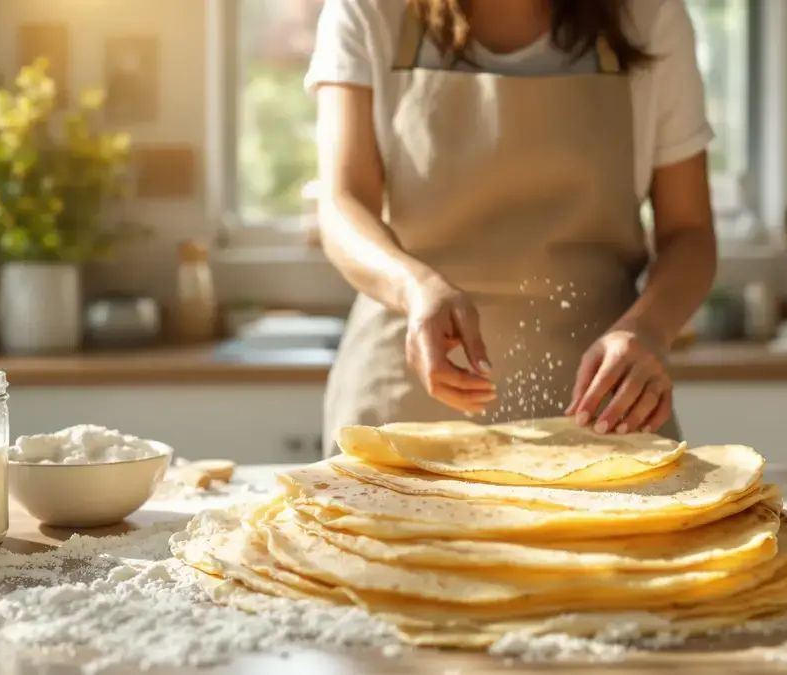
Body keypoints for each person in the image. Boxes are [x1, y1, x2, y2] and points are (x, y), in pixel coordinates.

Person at [307, 0, 717, 456]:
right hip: (402, 396)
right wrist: (414, 287)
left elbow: (689, 231)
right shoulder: (369, 10)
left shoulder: (648, 15)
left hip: (600, 409)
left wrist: (647, 330)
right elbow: (342, 204)